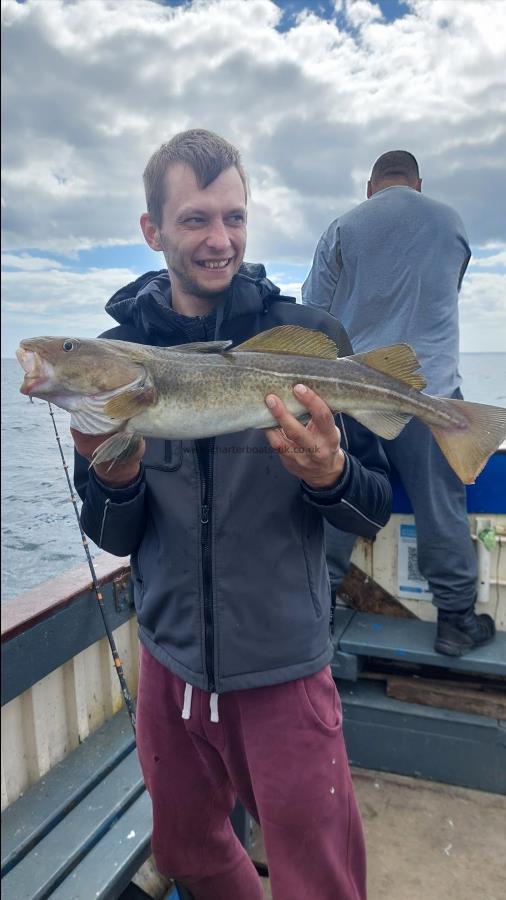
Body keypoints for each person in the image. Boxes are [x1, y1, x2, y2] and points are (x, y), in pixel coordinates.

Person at [72, 129, 392, 900]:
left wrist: (333, 473)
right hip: (169, 668)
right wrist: (113, 478)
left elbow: (371, 510)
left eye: (234, 218)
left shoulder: (312, 342)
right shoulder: (120, 358)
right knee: (184, 853)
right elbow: (112, 532)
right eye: (195, 220)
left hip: (283, 670)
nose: (220, 240)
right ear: (153, 230)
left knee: (321, 879)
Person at [302, 149, 495, 658]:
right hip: (432, 391)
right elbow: (444, 290)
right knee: (441, 506)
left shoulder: (343, 227)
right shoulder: (451, 223)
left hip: (355, 390)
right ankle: (454, 621)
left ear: (371, 187)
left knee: (341, 492)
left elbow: (313, 310)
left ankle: (318, 617)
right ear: (418, 184)